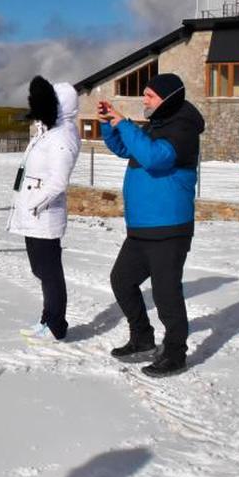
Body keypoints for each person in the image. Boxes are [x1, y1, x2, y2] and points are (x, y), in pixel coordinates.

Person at [99, 72, 205, 377]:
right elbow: (126, 149)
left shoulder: (183, 129)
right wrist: (109, 124)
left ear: (167, 99)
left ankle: (175, 354)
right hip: (142, 229)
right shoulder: (156, 124)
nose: (144, 100)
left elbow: (155, 158)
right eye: (144, 95)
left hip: (170, 227)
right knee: (122, 280)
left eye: (150, 96)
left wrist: (124, 123)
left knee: (166, 293)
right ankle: (143, 339)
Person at [8, 76, 81, 342]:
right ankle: (47, 319)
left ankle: (55, 325)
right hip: (34, 214)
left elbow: (58, 182)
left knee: (49, 272)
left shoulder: (62, 137)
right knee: (40, 270)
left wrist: (32, 203)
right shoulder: (50, 132)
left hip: (44, 215)